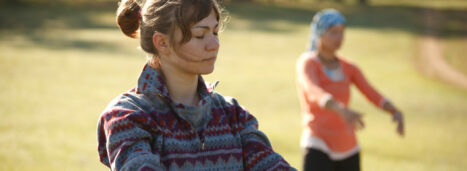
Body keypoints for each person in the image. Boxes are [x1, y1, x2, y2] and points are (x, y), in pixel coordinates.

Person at [96, 0, 296, 170]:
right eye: (200, 35)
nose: (214, 44)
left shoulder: (232, 115)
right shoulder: (127, 116)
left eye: (215, 32)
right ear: (162, 43)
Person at [296, 9, 405, 171]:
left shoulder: (349, 67)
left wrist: (393, 110)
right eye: (333, 32)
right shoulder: (308, 62)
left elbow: (371, 92)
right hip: (318, 143)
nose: (339, 38)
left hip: (348, 147)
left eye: (341, 32)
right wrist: (340, 108)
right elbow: (313, 91)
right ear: (320, 33)